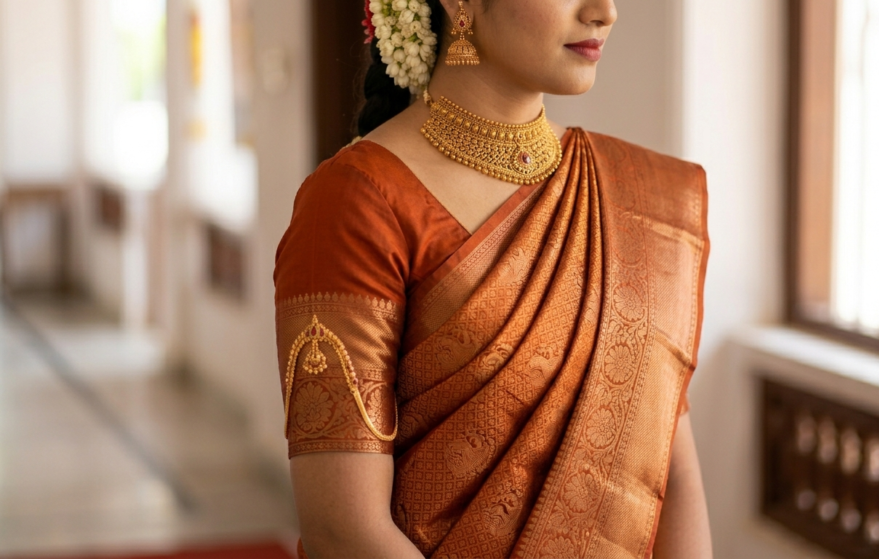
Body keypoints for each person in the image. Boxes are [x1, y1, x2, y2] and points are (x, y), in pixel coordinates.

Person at [273, 0, 712, 556]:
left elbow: (671, 471)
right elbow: (343, 527)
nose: (606, 12)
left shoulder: (639, 201)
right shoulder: (358, 202)